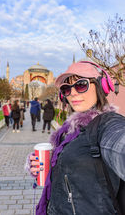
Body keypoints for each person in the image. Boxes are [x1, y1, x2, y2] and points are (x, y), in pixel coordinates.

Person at [27, 61, 125, 215]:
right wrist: (53, 161)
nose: (72, 93)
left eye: (81, 85)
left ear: (102, 85)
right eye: (66, 88)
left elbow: (119, 144)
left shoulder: (108, 124)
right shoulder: (69, 130)